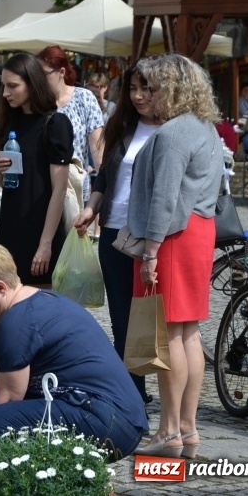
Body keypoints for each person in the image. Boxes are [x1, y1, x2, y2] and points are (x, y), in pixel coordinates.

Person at [0, 243, 147, 461]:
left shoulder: (15, 323)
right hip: (125, 418)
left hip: (108, 421)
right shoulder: (45, 298)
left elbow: (7, 402)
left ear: (0, 287)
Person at [130, 54, 223, 459]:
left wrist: (150, 250)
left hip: (173, 237)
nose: (149, 95)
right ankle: (186, 430)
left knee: (169, 337)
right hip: (199, 232)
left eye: (155, 87)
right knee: (186, 335)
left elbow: (165, 197)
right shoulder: (206, 128)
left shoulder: (174, 133)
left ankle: (169, 431)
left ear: (174, 88)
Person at [73, 59, 161, 410]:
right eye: (134, 88)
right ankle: (133, 392)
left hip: (155, 234)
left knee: (155, 317)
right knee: (123, 316)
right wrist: (92, 208)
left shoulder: (173, 129)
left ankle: (164, 394)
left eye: (147, 89)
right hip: (114, 230)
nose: (138, 96)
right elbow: (105, 178)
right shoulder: (122, 124)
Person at [0, 52, 74, 288]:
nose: (6, 93)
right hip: (10, 223)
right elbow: (6, 182)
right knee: (1, 299)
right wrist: (0, 172)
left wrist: (45, 243)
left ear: (32, 83)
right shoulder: (11, 123)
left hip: (40, 227)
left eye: (13, 86)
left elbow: (58, 190)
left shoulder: (55, 124)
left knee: (38, 305)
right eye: (4, 86)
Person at [37, 46, 104, 204]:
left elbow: (97, 149)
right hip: (41, 191)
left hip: (76, 192)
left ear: (61, 72)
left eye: (43, 74)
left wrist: (102, 190)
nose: (38, 79)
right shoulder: (37, 102)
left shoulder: (84, 98)